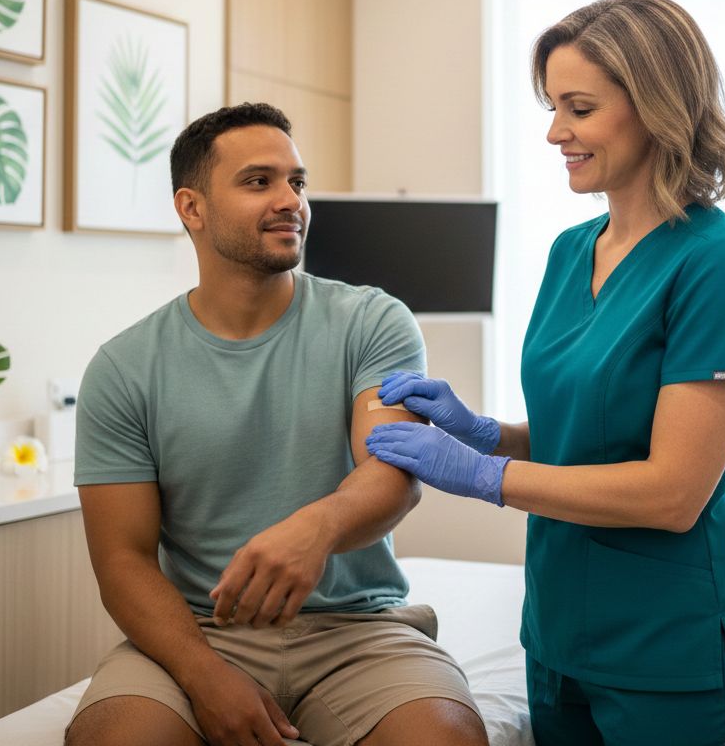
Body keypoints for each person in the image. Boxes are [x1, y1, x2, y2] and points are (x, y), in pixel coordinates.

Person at [366, 0, 725, 746]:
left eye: (579, 108)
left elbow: (673, 492)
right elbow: (587, 432)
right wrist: (490, 434)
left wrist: (483, 476)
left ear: (657, 107)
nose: (556, 132)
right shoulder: (569, 254)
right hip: (557, 633)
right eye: (553, 107)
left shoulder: (720, 265)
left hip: (669, 649)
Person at [67, 103, 488, 746]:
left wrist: (314, 529)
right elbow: (121, 560)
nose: (290, 199)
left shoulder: (372, 322)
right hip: (197, 632)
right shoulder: (123, 368)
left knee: (445, 737)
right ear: (192, 207)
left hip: (357, 629)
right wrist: (205, 676)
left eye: (297, 181)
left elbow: (393, 475)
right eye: (258, 181)